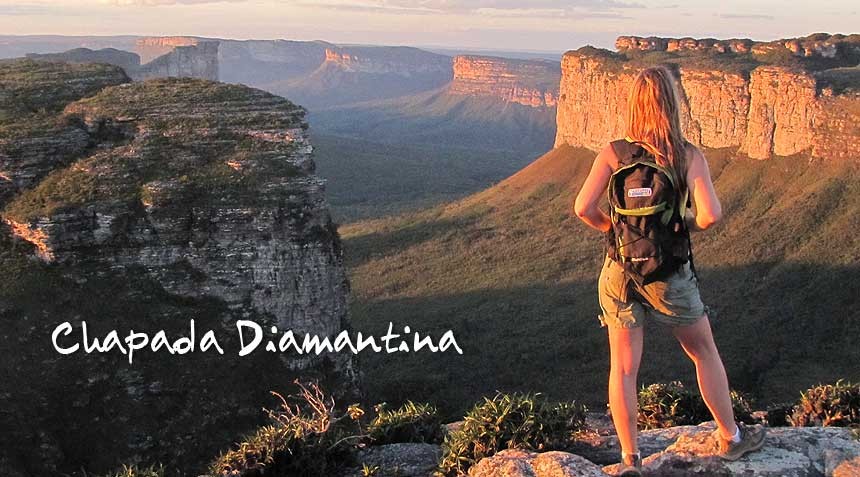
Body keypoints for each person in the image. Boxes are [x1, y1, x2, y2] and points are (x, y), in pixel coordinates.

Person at [573, 66, 765, 477]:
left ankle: (629, 459)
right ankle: (730, 438)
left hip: (619, 270)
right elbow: (711, 215)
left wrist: (616, 232)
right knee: (703, 352)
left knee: (623, 367)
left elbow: (582, 209)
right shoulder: (686, 154)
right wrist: (678, 227)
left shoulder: (614, 152)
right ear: (672, 104)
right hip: (670, 273)